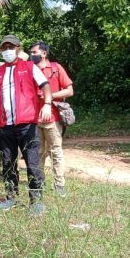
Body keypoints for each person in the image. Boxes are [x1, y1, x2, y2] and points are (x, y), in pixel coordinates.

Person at [0, 35, 53, 215]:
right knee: (8, 163)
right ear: (1, 50)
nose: (7, 50)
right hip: (5, 126)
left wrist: (46, 104)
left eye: (11, 46)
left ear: (18, 48)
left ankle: (36, 201)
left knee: (32, 163)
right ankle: (11, 198)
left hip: (27, 125)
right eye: (4, 47)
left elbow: (46, 86)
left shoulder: (29, 67)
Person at [29, 41, 73, 197]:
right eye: (31, 53)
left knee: (56, 151)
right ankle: (39, 183)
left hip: (53, 118)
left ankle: (59, 185)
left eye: (34, 52)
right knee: (38, 152)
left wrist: (50, 95)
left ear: (44, 53)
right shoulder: (29, 69)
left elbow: (69, 90)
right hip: (34, 118)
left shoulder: (56, 68)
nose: (32, 55)